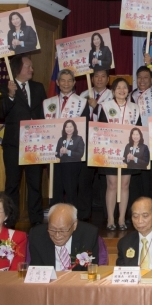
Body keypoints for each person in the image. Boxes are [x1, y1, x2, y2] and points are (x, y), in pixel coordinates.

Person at [0, 55, 47, 227]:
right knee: (12, 184)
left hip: (34, 144)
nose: (32, 70)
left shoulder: (38, 87)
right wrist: (11, 95)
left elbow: (44, 113)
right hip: (13, 144)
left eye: (31, 67)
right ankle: (10, 221)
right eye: (28, 67)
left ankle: (36, 221)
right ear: (18, 68)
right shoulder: (5, 87)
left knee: (35, 184)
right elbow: (0, 113)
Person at [44, 69, 91, 219]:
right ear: (57, 83)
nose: (66, 83)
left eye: (69, 80)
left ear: (74, 83)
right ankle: (54, 219)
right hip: (53, 153)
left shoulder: (82, 103)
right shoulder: (47, 103)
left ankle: (72, 220)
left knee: (71, 188)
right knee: (55, 187)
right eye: (63, 80)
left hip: (72, 156)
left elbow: (84, 128)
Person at [97, 78, 143, 231]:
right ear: (113, 91)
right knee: (111, 184)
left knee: (125, 185)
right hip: (111, 152)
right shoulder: (105, 106)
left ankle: (122, 218)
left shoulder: (135, 108)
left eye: (124, 87)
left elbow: (139, 129)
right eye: (118, 87)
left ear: (128, 90)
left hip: (129, 152)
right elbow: (101, 129)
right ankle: (111, 218)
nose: (122, 90)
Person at [131, 53, 152, 200]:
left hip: (151, 140)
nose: (142, 80)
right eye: (139, 77)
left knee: (148, 176)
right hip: (134, 141)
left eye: (146, 77)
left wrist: (150, 65)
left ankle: (148, 206)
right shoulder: (131, 95)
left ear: (151, 80)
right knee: (135, 176)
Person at [29, 203, 99, 271]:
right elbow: (37, 271)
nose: (57, 235)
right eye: (52, 229)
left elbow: (90, 270)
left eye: (63, 230)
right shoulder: (37, 235)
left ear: (74, 225)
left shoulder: (89, 235)